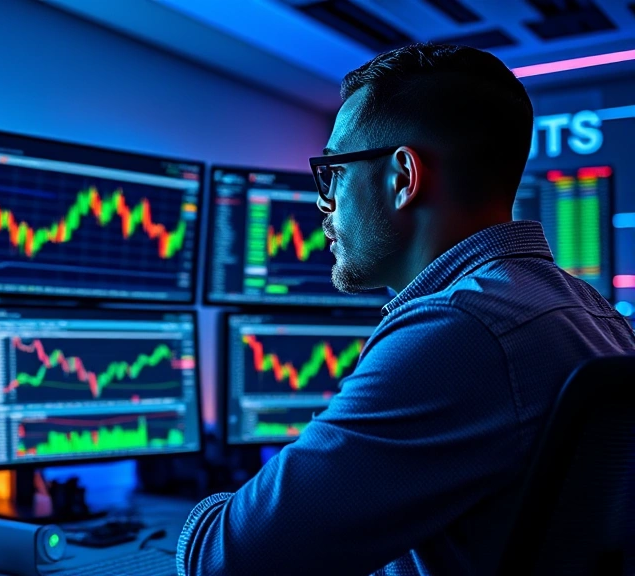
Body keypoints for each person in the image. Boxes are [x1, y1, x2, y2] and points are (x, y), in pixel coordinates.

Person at [177, 43, 635, 576]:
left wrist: (207, 514)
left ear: (402, 177)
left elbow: (229, 562)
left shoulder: (462, 330)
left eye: (334, 174)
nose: (324, 205)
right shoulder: (590, 311)